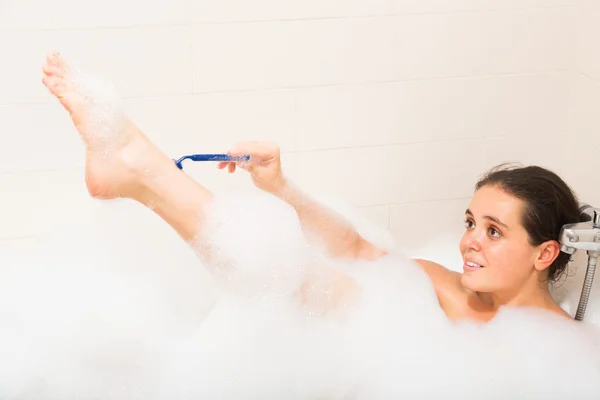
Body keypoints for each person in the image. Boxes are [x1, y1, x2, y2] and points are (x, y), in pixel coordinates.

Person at [41, 51, 578, 323]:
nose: (469, 242)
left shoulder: (566, 352)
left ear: (545, 253)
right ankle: (138, 171)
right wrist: (281, 188)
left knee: (315, 289)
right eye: (469, 223)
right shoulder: (445, 287)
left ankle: (140, 169)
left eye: (493, 231)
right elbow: (355, 248)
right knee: (318, 285)